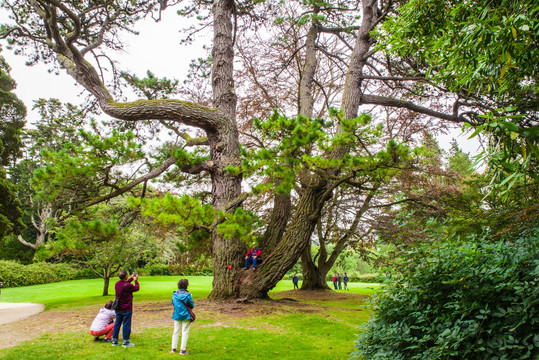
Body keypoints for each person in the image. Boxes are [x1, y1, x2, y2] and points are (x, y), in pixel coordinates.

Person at [111, 270, 139, 347]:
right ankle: (126, 341)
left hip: (118, 307)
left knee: (117, 323)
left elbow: (125, 284)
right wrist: (136, 281)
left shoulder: (117, 284)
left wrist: (131, 279)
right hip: (126, 308)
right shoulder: (128, 286)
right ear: (126, 276)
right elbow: (136, 288)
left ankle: (114, 340)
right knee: (126, 324)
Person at [171, 278, 195, 355]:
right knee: (185, 332)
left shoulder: (174, 294)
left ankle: (173, 348)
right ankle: (183, 350)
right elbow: (192, 305)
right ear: (186, 285)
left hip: (177, 314)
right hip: (185, 315)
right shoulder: (188, 295)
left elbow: (173, 303)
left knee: (176, 331)